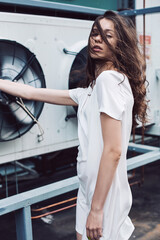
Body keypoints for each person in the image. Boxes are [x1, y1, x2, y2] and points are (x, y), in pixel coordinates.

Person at [0, 10, 149, 240]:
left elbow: (113, 151)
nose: (97, 39)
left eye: (107, 35)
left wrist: (97, 209)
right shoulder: (92, 90)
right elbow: (31, 91)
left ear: (121, 43)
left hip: (104, 195)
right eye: (95, 33)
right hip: (90, 187)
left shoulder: (109, 81)